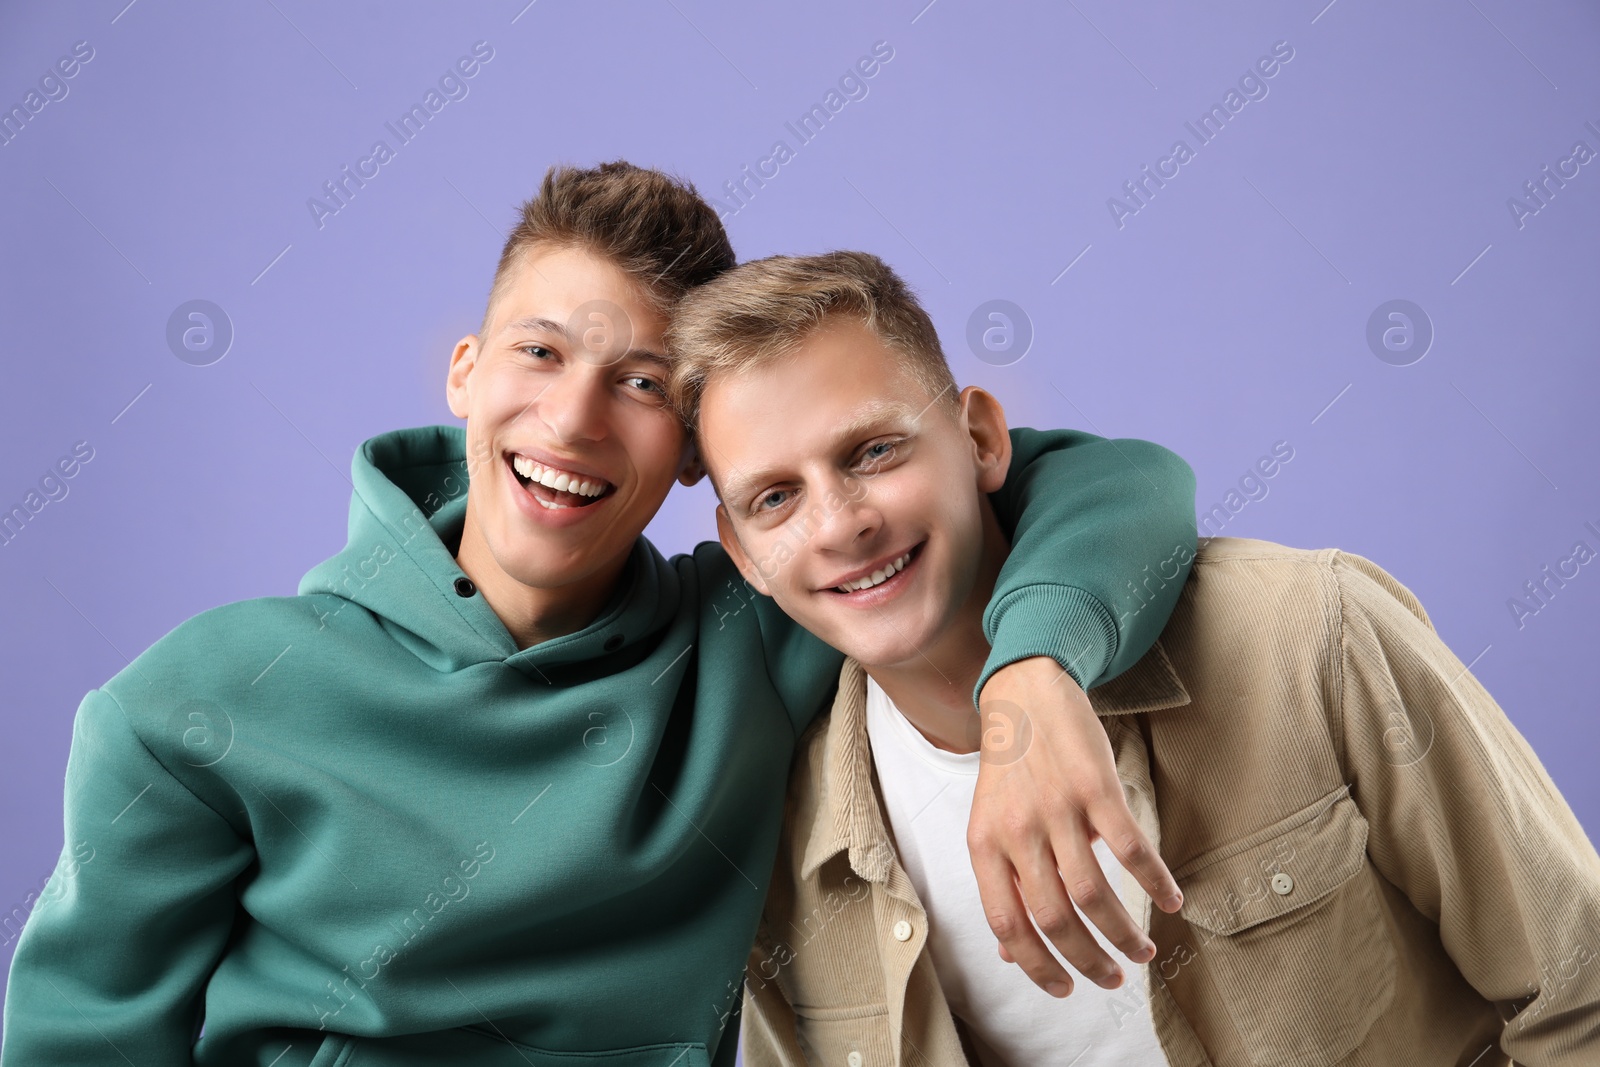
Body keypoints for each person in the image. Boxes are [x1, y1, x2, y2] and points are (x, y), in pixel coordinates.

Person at [2, 164, 1201, 1066]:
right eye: (541, 351)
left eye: (637, 383)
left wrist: (1030, 674)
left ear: (692, 453)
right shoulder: (199, 701)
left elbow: (1111, 480)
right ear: (465, 369)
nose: (574, 420)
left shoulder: (752, 630)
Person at [670, 249, 1600, 1067]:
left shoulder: (1307, 633)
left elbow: (1579, 996)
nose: (841, 524)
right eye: (775, 499)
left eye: (873, 450)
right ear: (742, 551)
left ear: (982, 438)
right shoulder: (786, 850)